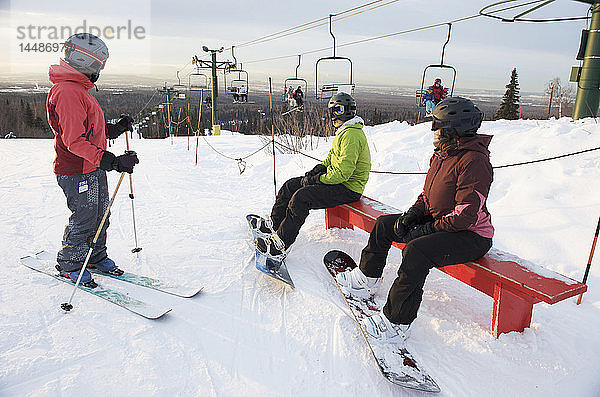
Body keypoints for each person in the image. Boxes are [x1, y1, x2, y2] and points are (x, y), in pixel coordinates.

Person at [337, 97, 493, 341]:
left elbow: (465, 214)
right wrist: (412, 216)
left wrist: (424, 231)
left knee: (417, 251)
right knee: (385, 225)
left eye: (438, 126)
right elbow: (427, 196)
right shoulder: (442, 155)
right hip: (442, 222)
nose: (434, 131)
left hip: (470, 235)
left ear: (453, 130)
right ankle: (367, 279)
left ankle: (397, 323)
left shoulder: (474, 161)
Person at [46, 33, 139, 288]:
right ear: (85, 62)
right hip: (77, 170)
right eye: (98, 64)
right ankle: (71, 263)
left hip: (92, 166)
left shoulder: (78, 89)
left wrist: (116, 129)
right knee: (85, 217)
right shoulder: (67, 91)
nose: (99, 70)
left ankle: (94, 255)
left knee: (101, 214)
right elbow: (74, 141)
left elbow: (90, 130)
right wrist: (111, 161)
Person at [255, 92, 371, 259]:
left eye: (334, 111)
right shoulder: (345, 132)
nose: (332, 115)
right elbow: (332, 158)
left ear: (341, 111)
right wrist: (319, 169)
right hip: (338, 182)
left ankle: (281, 244)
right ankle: (275, 224)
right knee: (291, 185)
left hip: (348, 188)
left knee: (302, 198)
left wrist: (316, 180)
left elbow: (342, 173)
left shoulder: (351, 135)